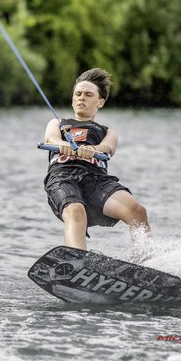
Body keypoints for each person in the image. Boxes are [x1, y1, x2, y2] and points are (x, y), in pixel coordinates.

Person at [43, 68, 152, 262]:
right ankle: (77, 262)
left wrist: (92, 149)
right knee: (76, 211)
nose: (81, 98)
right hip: (63, 178)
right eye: (78, 94)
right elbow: (51, 139)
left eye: (88, 94)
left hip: (96, 180)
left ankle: (146, 262)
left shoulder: (107, 131)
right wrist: (64, 145)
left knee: (137, 211)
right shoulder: (57, 123)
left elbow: (108, 147)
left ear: (100, 102)